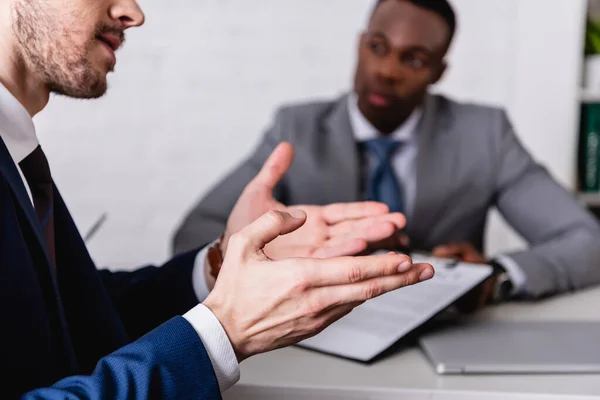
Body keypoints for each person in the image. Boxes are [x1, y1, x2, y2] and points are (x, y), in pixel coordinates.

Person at [0, 0, 435, 398]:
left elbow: (71, 314)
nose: (133, 12)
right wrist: (221, 333)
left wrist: (221, 263)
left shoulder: (17, 151)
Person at [173, 0, 600, 307]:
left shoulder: (484, 134)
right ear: (360, 44)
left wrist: (495, 277)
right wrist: (281, 262)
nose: (386, 71)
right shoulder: (296, 130)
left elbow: (588, 241)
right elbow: (194, 235)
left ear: (438, 71)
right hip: (316, 332)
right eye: (377, 47)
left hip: (445, 334)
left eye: (413, 59)